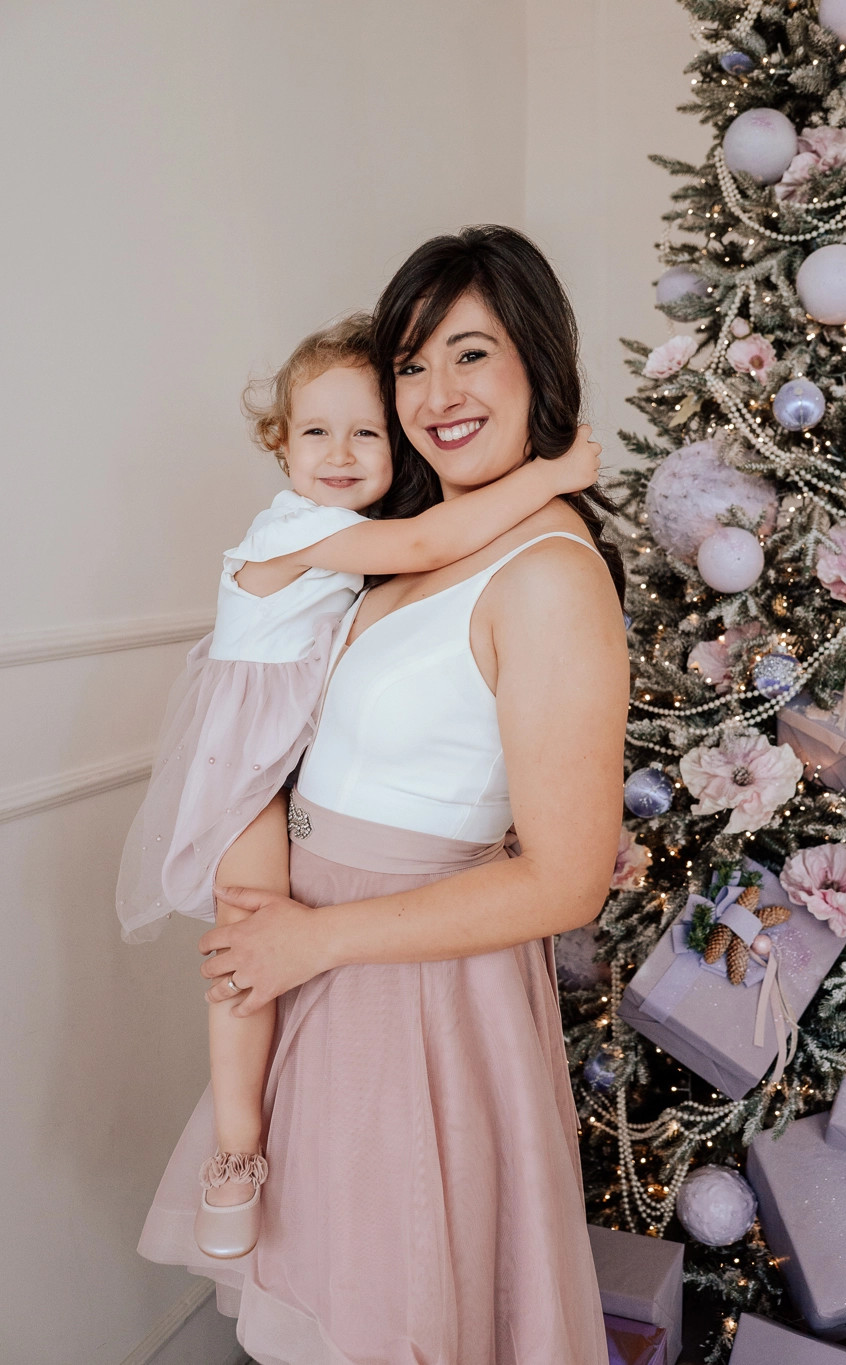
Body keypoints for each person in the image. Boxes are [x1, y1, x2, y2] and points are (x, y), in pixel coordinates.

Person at [138, 226, 628, 1365]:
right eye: (411, 365)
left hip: (406, 996)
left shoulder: (546, 571)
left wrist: (313, 939)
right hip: (318, 965)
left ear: (537, 362)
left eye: (471, 353)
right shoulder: (397, 548)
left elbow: (566, 884)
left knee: (391, 1315)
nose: (436, 394)